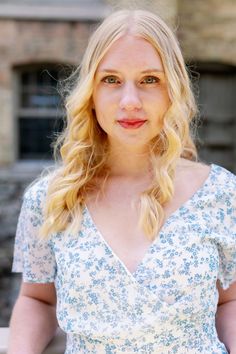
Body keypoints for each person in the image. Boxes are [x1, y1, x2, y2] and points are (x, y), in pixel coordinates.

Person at [8, 9, 236, 354]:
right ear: (91, 93)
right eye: (111, 80)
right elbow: (38, 299)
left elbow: (229, 300)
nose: (130, 101)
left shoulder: (221, 194)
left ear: (172, 90)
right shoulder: (51, 200)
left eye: (149, 80)